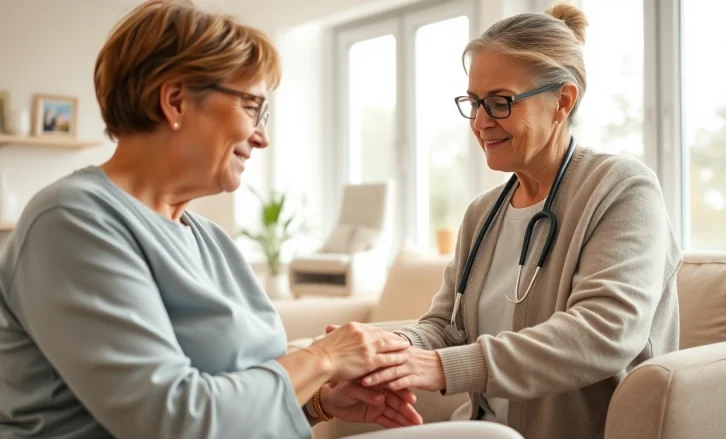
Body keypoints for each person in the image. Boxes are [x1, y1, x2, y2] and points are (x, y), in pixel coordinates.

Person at [0, 1, 425, 438]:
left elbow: (234, 398)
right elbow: (172, 421)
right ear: (175, 100)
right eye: (252, 107)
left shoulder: (210, 240)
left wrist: (316, 404)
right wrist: (323, 358)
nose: (262, 137)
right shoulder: (71, 223)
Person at [358, 4, 682, 439]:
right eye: (473, 103)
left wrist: (441, 367)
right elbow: (447, 326)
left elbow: (605, 332)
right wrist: (398, 349)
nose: (479, 122)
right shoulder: (482, 212)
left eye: (499, 102)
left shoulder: (622, 189)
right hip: (481, 431)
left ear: (562, 101)